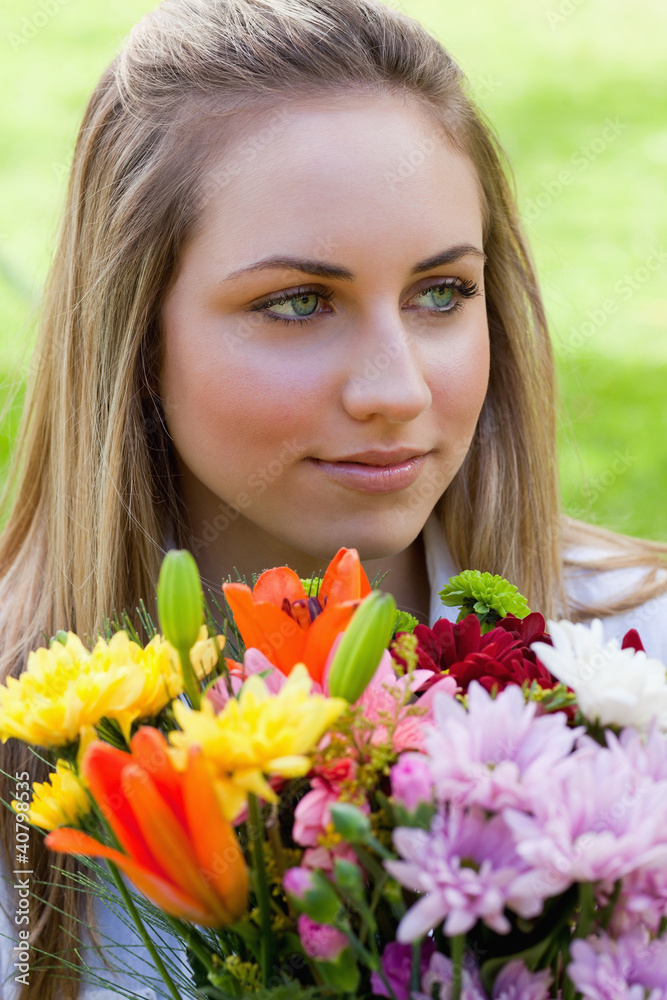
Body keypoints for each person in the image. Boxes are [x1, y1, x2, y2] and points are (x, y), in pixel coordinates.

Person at [0, 0, 666, 997]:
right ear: (134, 337)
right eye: (299, 303)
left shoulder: (639, 662)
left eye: (441, 292)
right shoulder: (26, 743)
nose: (396, 389)